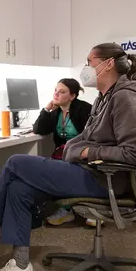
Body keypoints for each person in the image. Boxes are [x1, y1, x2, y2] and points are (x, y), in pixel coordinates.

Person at [0, 42, 136, 271]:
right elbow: (86, 136)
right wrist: (77, 149)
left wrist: (86, 152)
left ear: (107, 64)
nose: (86, 68)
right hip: (87, 171)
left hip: (103, 179)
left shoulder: (126, 97)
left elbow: (135, 154)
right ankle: (20, 266)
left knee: (15, 163)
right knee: (18, 190)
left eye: (89, 62)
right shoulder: (105, 97)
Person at [33, 78, 92, 226]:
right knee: (51, 169)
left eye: (62, 92)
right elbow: (39, 129)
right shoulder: (56, 112)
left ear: (72, 96)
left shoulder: (84, 109)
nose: (56, 94)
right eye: (55, 90)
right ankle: (64, 210)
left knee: (65, 169)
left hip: (82, 153)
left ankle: (91, 209)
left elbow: (93, 136)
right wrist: (46, 110)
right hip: (63, 154)